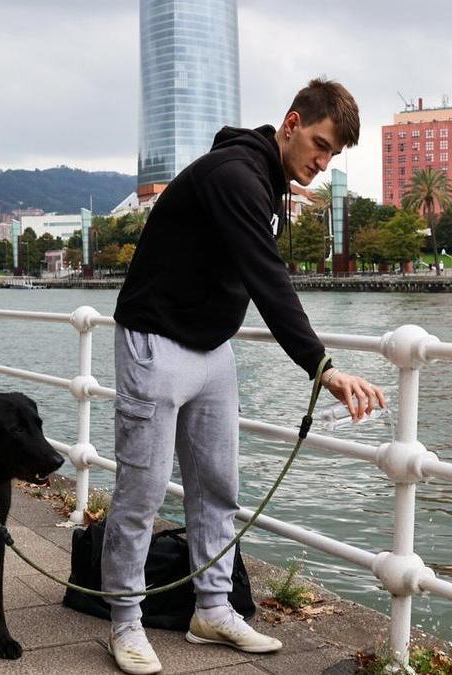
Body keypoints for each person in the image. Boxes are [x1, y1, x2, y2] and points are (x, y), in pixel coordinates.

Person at [102, 78, 386, 675]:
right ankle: (125, 622)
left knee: (218, 487)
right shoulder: (235, 175)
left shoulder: (272, 183)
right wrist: (323, 369)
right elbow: (268, 278)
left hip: (212, 350)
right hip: (155, 340)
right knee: (141, 494)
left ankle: (213, 609)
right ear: (290, 122)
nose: (322, 161)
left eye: (333, 154)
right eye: (319, 143)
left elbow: (253, 274)